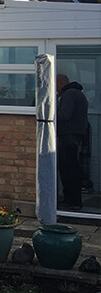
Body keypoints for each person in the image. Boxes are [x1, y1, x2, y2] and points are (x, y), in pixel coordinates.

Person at [57, 73, 89, 210]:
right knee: (72, 167)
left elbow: (65, 114)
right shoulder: (77, 93)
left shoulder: (69, 95)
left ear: (60, 83)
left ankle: (71, 201)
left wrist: (48, 113)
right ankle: (73, 199)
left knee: (67, 168)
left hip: (68, 135)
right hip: (76, 135)